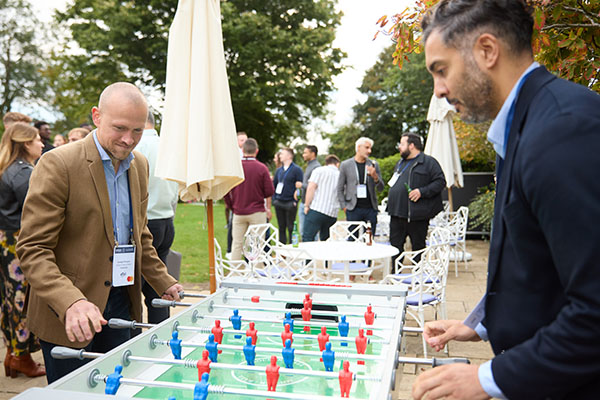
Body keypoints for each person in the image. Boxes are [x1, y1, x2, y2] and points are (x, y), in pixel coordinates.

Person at [412, 1, 600, 399]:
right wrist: (481, 323)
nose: (439, 90)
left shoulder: (563, 130)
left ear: (487, 50)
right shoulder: (525, 127)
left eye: (441, 70)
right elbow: (539, 263)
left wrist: (487, 379)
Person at [16, 82, 183, 384]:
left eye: (137, 131)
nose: (128, 139)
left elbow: (139, 234)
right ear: (97, 116)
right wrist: (71, 301)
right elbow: (33, 249)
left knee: (118, 387)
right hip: (69, 310)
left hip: (121, 302)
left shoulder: (140, 165)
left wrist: (163, 280)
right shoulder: (58, 163)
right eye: (120, 128)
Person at [0, 123, 45, 378]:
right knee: (23, 299)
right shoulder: (23, 173)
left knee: (9, 299)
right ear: (26, 143)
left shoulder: (7, 168)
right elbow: (37, 211)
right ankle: (22, 356)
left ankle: (13, 354)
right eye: (37, 139)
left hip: (6, 240)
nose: (42, 143)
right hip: (19, 242)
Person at [133, 110, 180, 328]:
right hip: (166, 220)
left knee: (134, 289)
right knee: (159, 287)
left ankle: (134, 336)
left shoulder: (138, 147)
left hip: (145, 222)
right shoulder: (169, 147)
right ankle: (161, 332)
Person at [387, 133, 445, 260]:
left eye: (402, 144)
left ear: (411, 146)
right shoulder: (400, 163)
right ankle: (395, 271)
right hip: (396, 214)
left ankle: (418, 272)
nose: (399, 147)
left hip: (417, 216)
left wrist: (421, 191)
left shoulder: (429, 162)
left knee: (418, 249)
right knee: (395, 247)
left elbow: (440, 182)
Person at [224, 138, 274, 260]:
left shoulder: (236, 168)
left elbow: (226, 191)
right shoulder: (262, 168)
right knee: (257, 245)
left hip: (239, 211)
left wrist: (232, 206)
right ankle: (256, 269)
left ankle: (235, 269)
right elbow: (269, 191)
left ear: (242, 150)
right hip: (257, 211)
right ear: (256, 151)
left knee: (237, 244)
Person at [336, 137, 383, 235]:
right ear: (358, 147)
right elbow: (339, 188)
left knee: (369, 239)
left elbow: (381, 188)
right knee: (352, 238)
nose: (369, 151)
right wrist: (344, 206)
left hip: (370, 209)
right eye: (367, 148)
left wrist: (375, 177)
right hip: (353, 209)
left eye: (370, 148)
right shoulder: (345, 165)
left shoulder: (374, 165)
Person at [302, 155, 340, 242]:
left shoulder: (319, 171)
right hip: (332, 213)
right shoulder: (340, 174)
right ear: (337, 164)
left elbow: (311, 188)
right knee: (326, 240)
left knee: (308, 237)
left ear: (326, 162)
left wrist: (307, 205)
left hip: (317, 208)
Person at [225, 131, 249, 258]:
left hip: (247, 194)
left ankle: (246, 251)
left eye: (245, 140)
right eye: (242, 140)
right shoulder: (233, 156)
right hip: (237, 194)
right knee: (233, 224)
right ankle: (230, 250)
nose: (244, 142)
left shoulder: (247, 156)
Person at [272, 147, 303, 244]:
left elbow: (300, 187)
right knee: (281, 227)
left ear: (289, 156)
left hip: (290, 202)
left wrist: (296, 201)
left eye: (282, 154)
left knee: (291, 227)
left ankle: (292, 246)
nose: (280, 156)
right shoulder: (279, 170)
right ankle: (282, 247)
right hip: (279, 202)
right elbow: (274, 185)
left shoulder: (297, 170)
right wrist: (274, 200)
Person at [298, 145, 320, 236]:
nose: (303, 155)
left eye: (305, 153)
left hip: (311, 204)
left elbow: (316, 186)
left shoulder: (316, 167)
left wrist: (301, 185)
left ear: (313, 154)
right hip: (303, 202)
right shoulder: (309, 165)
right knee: (303, 231)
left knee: (310, 233)